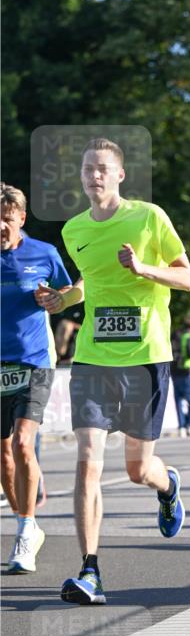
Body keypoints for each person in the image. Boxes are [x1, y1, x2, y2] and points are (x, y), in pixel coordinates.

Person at [39, 137, 190, 604]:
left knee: (137, 469)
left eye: (103, 168)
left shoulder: (149, 217)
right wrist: (61, 299)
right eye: (88, 169)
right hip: (93, 357)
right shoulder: (74, 229)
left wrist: (145, 268)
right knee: (87, 461)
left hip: (146, 356)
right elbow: (93, 284)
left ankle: (167, 487)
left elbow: (186, 278)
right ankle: (90, 571)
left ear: (120, 175)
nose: (94, 175)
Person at [1, 183, 73, 573]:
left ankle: (26, 532)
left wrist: (57, 298)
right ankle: (25, 518)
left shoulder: (43, 253)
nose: (0, 226)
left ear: (21, 219)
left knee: (23, 445)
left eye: (7, 220)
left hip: (33, 363)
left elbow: (69, 287)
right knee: (4, 459)